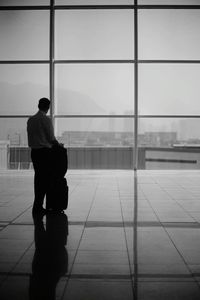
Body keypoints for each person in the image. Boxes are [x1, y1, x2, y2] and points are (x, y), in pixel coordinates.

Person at [27, 98, 59, 215]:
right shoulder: (46, 120)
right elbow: (51, 138)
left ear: (38, 105)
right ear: (48, 107)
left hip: (34, 152)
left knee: (38, 179)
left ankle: (37, 206)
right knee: (45, 180)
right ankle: (39, 206)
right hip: (45, 153)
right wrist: (58, 144)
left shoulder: (30, 120)